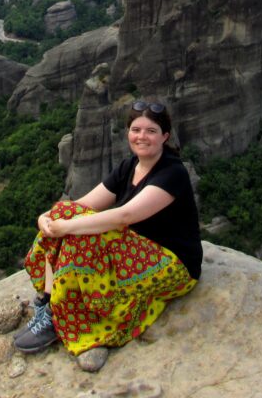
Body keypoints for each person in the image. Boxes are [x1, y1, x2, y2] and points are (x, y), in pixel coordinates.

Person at [13, 100, 202, 357]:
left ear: (165, 136)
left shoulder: (173, 172)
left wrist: (66, 227)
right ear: (128, 133)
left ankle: (61, 319)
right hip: (137, 249)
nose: (142, 137)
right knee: (65, 212)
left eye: (151, 131)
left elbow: (124, 216)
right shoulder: (128, 166)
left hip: (174, 263)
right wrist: (47, 217)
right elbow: (82, 204)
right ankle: (48, 305)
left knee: (83, 234)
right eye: (136, 130)